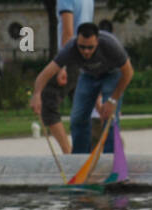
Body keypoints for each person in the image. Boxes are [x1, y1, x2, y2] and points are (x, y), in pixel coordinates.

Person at [31, 22, 133, 155]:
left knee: (110, 118)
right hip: (88, 76)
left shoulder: (110, 45)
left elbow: (128, 73)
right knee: (77, 118)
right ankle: (79, 158)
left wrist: (113, 100)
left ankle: (112, 159)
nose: (86, 51)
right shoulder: (71, 48)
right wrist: (37, 94)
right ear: (77, 41)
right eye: (82, 47)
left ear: (97, 41)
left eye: (90, 48)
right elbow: (45, 74)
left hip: (112, 74)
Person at [40, 0, 93, 153]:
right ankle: (85, 151)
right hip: (86, 55)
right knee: (82, 105)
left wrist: (61, 65)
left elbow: (68, 31)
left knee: (48, 101)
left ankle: (68, 152)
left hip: (72, 56)